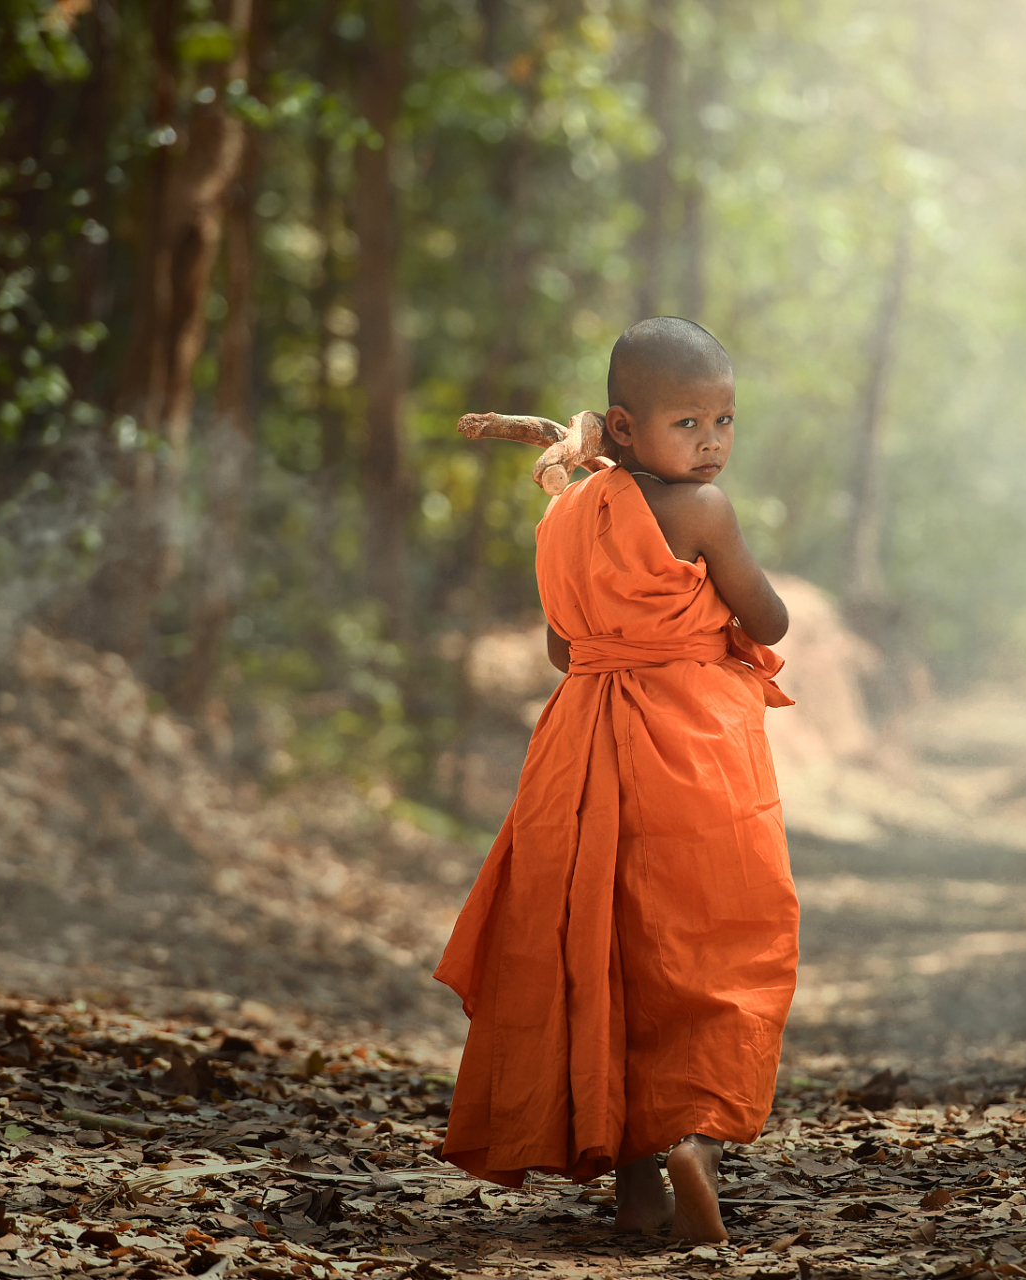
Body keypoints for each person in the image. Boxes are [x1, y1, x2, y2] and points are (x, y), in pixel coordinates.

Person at [433, 317, 798, 1244]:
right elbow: (772, 616)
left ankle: (637, 1188)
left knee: (609, 956)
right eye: (689, 424)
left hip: (582, 757)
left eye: (724, 422)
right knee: (717, 947)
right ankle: (697, 1144)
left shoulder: (564, 516)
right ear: (625, 427)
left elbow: (565, 647)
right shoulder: (705, 513)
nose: (712, 443)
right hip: (697, 752)